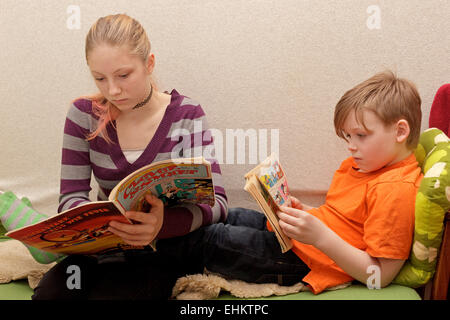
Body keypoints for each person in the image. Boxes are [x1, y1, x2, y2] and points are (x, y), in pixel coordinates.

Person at [160, 70, 423, 295]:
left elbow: (380, 276)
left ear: (400, 131)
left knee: (214, 240)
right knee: (230, 215)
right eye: (347, 136)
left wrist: (319, 236)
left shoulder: (394, 189)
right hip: (304, 243)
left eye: (361, 135)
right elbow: (344, 219)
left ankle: (152, 254)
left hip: (313, 262)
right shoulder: (364, 164)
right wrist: (305, 212)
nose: (351, 146)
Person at [30, 14, 227, 299]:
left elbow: (218, 204)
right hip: (100, 250)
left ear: (149, 64)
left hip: (161, 250)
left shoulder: (186, 115)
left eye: (123, 75)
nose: (112, 90)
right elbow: (70, 197)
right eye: (100, 78)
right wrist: (91, 227)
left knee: (122, 293)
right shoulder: (82, 115)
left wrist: (161, 225)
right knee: (50, 294)